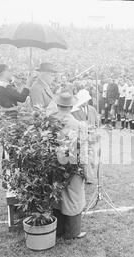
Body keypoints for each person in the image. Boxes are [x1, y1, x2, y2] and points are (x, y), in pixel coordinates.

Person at [47, 89, 87, 239]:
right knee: (74, 198)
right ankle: (73, 232)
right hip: (72, 164)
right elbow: (83, 151)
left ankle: (58, 230)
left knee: (57, 196)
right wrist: (86, 172)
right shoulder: (78, 124)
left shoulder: (50, 122)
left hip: (54, 164)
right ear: (71, 107)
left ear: (58, 106)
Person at [72, 89, 99, 184]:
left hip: (91, 137)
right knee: (84, 157)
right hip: (81, 137)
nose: (85, 102)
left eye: (86, 100)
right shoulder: (74, 111)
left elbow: (97, 122)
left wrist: (94, 128)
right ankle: (89, 178)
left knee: (92, 157)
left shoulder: (92, 109)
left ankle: (89, 173)